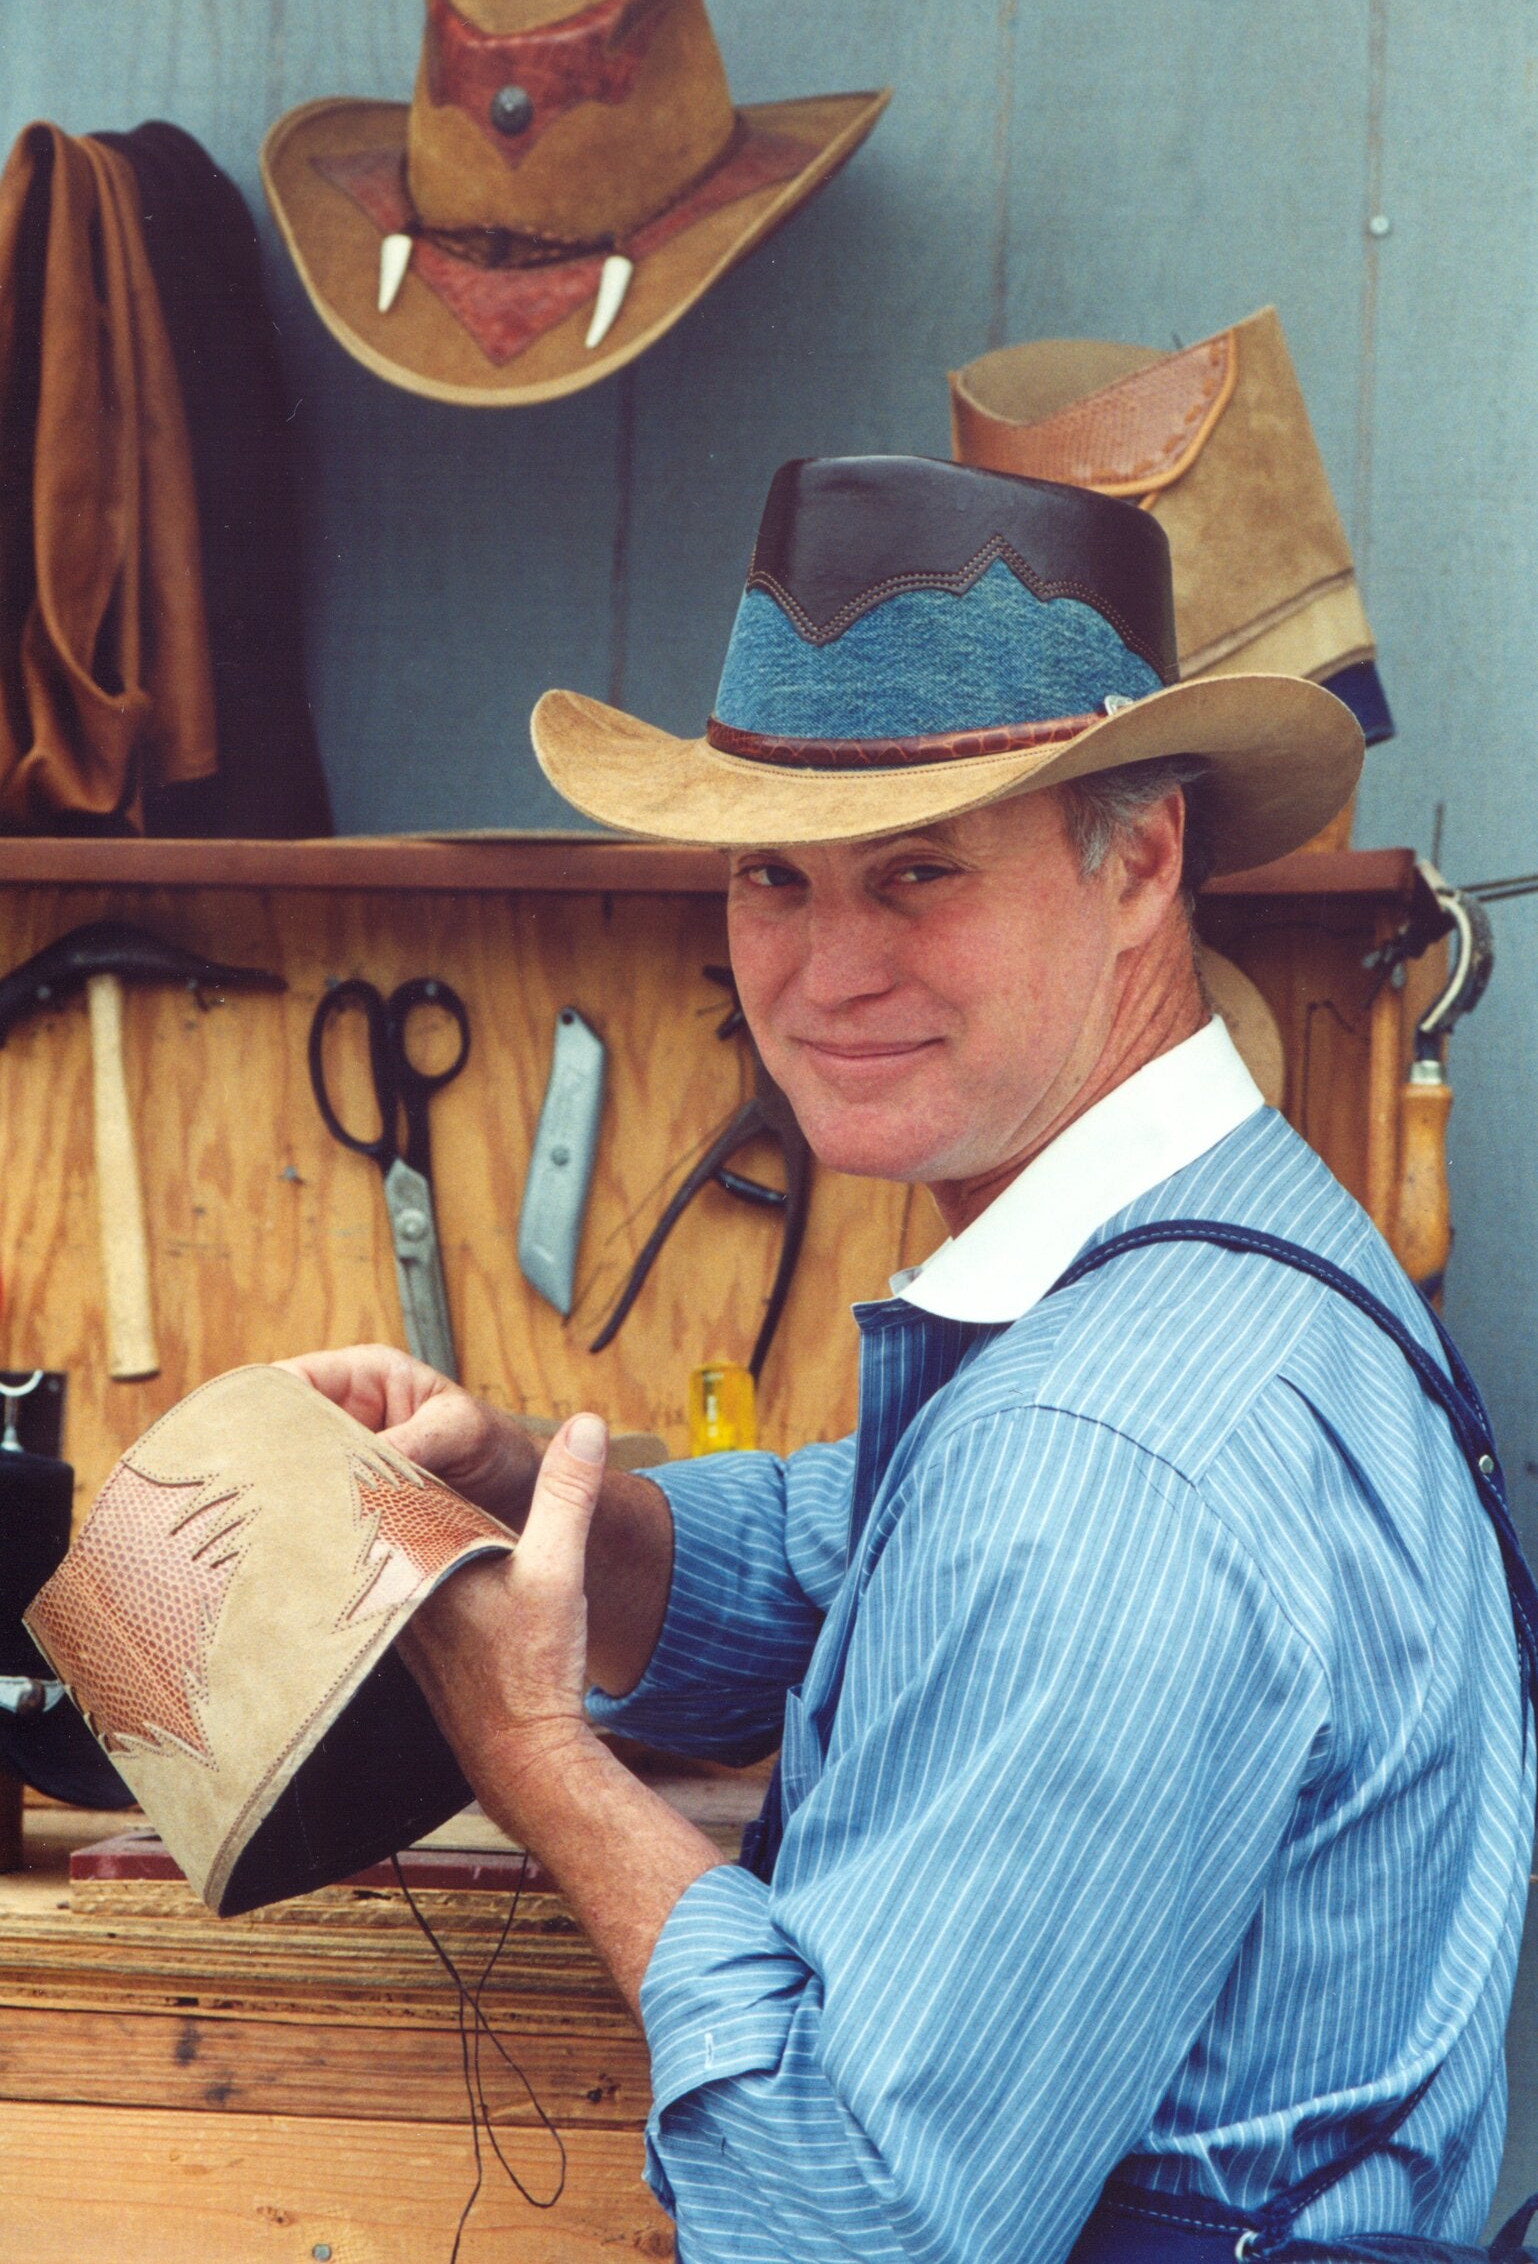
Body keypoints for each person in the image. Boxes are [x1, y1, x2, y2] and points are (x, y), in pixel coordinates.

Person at [286, 457, 1533, 2264]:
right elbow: (865, 1550)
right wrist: (544, 1499)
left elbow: (849, 2230)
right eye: (775, 874)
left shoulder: (1097, 1455)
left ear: (1144, 861)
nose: (823, 969)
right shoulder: (1227, 1246)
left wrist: (535, 1750)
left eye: (920, 871)